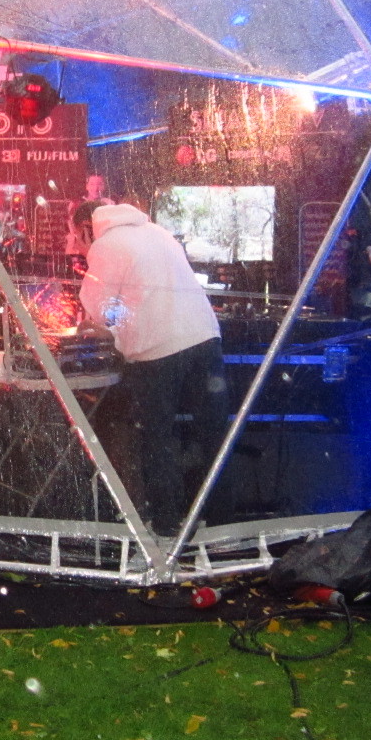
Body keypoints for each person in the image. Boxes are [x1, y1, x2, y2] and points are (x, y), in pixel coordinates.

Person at [79, 200, 225, 535]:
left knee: (157, 438)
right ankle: (221, 524)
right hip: (205, 337)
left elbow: (101, 310)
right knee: (213, 436)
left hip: (158, 350)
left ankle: (166, 525)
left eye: (77, 236)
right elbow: (141, 298)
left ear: (87, 228)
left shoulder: (106, 244)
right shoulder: (156, 231)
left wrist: (104, 328)